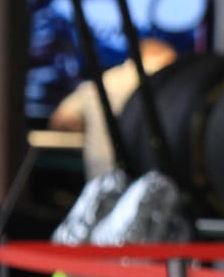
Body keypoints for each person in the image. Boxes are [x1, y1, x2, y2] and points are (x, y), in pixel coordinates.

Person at [48, 38, 178, 179]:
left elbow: (59, 120)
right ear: (165, 59)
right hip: (145, 181)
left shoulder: (99, 83)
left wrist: (94, 128)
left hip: (100, 179)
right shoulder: (166, 82)